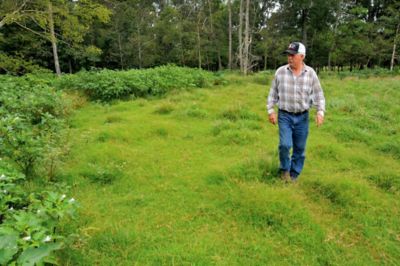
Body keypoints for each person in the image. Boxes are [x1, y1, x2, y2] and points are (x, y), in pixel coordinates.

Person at [266, 41, 325, 182]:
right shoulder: (280, 72)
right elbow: (272, 93)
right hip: (284, 115)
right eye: (288, 55)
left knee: (300, 149)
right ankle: (284, 170)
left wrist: (320, 112)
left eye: (293, 55)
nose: (290, 58)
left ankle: (294, 175)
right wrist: (270, 110)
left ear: (302, 56)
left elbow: (319, 95)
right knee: (285, 145)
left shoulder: (310, 74)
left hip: (302, 117)